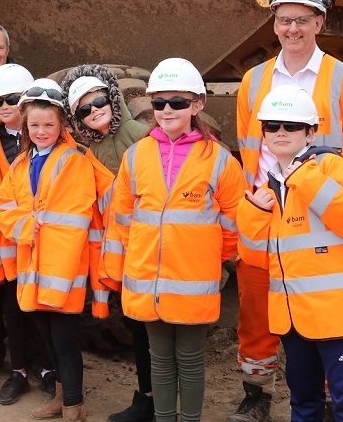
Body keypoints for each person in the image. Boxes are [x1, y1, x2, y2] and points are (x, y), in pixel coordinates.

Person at [231, 0, 343, 422]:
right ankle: (257, 394)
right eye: (284, 20)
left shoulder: (341, 80)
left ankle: (334, 400)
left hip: (321, 221)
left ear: (319, 22)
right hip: (266, 218)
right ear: (273, 23)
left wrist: (318, 193)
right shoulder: (254, 82)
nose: (293, 29)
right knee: (259, 315)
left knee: (322, 316)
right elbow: (248, 152)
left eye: (303, 20)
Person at [103, 58, 245, 422]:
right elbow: (121, 223)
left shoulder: (220, 161)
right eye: (159, 102)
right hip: (146, 282)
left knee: (191, 361)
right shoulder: (137, 157)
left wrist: (208, 261)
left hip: (193, 284)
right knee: (160, 360)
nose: (167, 110)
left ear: (197, 104)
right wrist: (118, 274)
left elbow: (234, 225)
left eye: (178, 102)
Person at [0, 80, 101, 422]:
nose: (41, 131)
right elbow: (3, 206)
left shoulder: (78, 159)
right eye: (35, 125)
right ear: (26, 126)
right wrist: (25, 226)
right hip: (33, 264)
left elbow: (96, 204)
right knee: (46, 333)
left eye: (49, 125)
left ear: (62, 126)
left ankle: (73, 406)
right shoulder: (21, 164)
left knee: (65, 337)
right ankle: (62, 396)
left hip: (64, 267)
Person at [61, 65, 153, 422]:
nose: (94, 110)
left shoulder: (140, 136)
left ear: (113, 99)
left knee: (151, 330)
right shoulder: (91, 149)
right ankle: (147, 398)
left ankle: (154, 402)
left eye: (99, 101)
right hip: (120, 251)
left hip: (144, 248)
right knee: (139, 326)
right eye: (83, 109)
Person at [0, 65, 59, 408]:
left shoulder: (46, 142)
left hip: (44, 242)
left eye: (13, 99)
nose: (7, 106)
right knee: (13, 309)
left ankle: (48, 369)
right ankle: (19, 371)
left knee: (42, 309)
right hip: (8, 241)